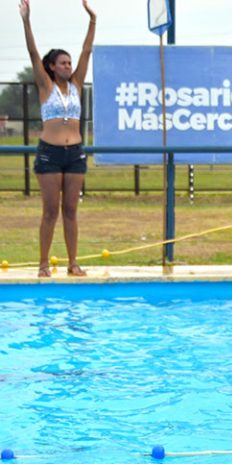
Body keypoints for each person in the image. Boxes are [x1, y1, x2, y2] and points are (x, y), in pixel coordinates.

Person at [20, 0, 96, 278]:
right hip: (50, 154)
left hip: (74, 153)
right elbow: (32, 51)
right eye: (63, 63)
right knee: (50, 210)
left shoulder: (75, 86)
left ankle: (73, 263)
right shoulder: (46, 86)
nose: (68, 66)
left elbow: (87, 50)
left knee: (71, 210)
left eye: (69, 62)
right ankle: (43, 264)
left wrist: (92, 20)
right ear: (52, 67)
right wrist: (26, 20)